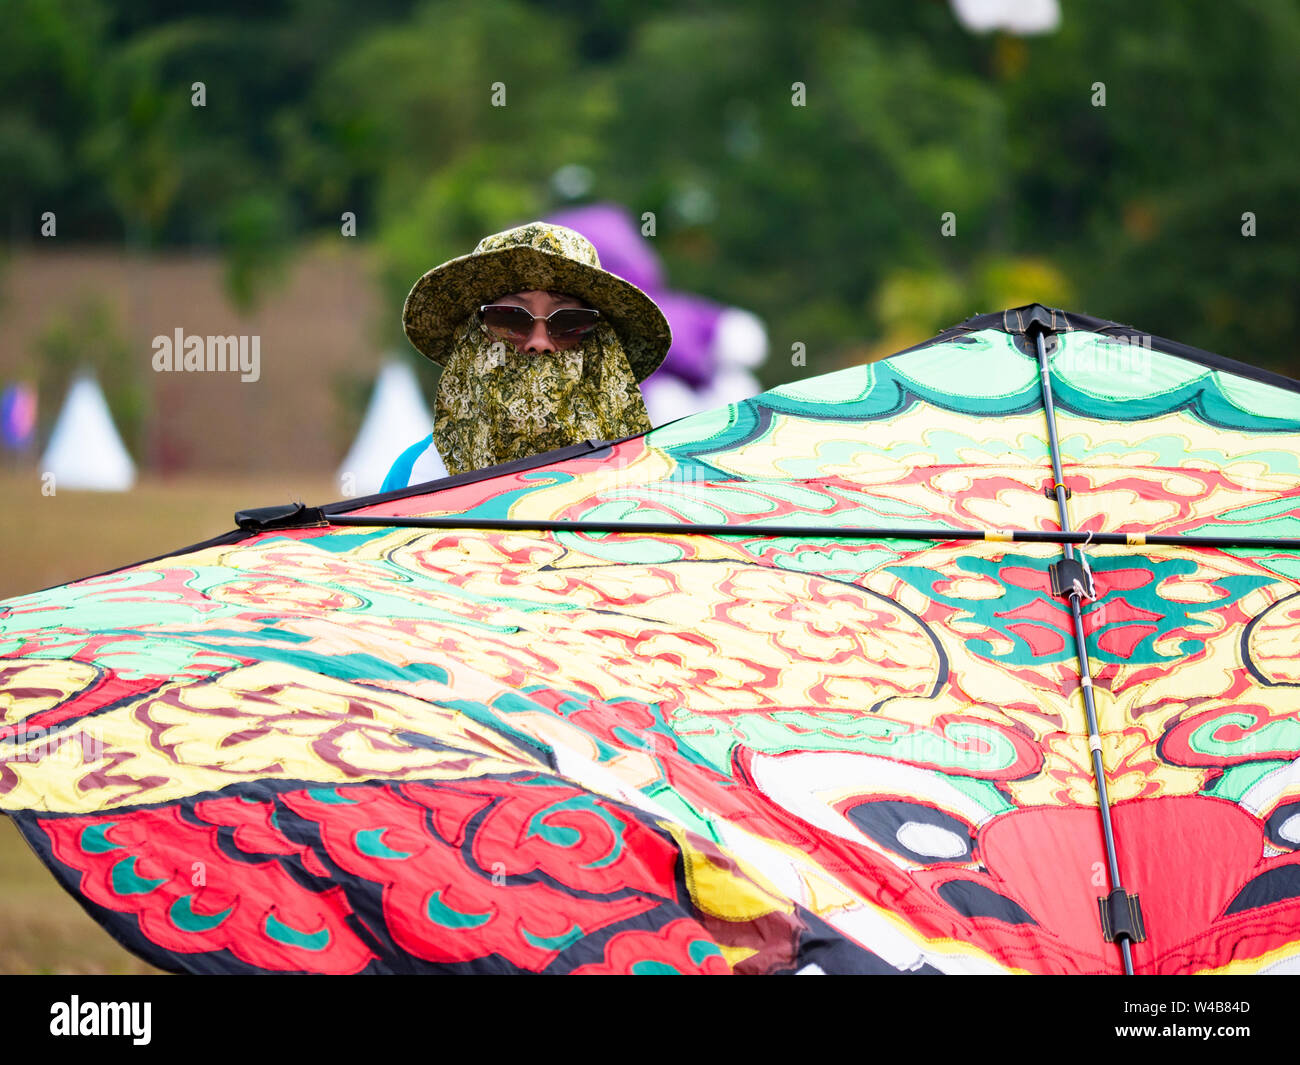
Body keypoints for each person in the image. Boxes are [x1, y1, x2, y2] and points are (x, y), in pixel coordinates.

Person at [382, 222, 672, 489]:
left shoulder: (641, 477)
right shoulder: (419, 475)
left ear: (598, 346)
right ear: (474, 337)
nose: (539, 342)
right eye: (510, 319)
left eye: (568, 321)